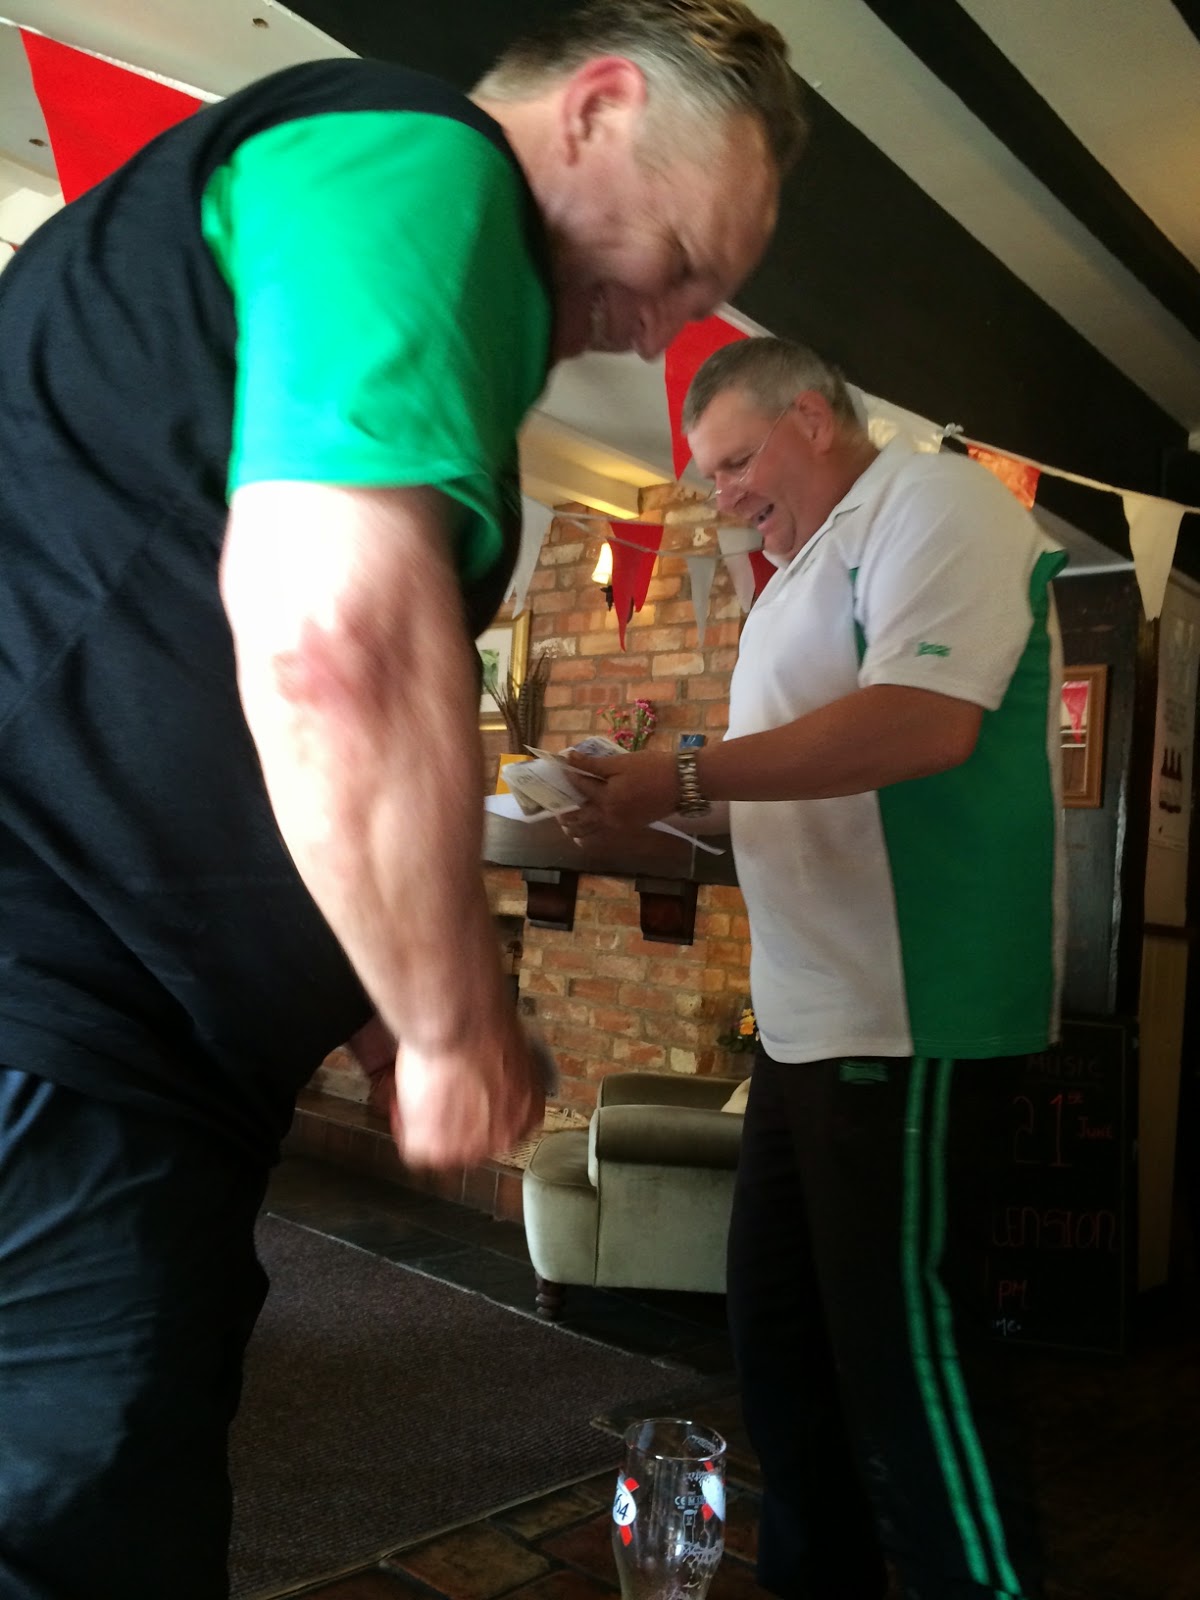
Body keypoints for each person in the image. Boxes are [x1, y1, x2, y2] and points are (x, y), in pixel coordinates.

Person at [0, 8, 806, 1596]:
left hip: (101, 1057)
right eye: (681, 265)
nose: (656, 333)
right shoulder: (422, 160)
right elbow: (335, 641)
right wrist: (448, 1023)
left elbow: (205, 671)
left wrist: (371, 991)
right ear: (601, 106)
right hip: (58, 1039)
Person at [567, 336, 1067, 1600]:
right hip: (805, 1022)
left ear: (811, 415)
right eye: (710, 474)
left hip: (910, 1010)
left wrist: (683, 770)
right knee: (783, 1354)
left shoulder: (934, 502)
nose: (723, 494)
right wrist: (647, 809)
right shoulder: (793, 577)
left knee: (911, 1368)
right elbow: (786, 798)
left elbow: (923, 723)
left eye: (737, 461)